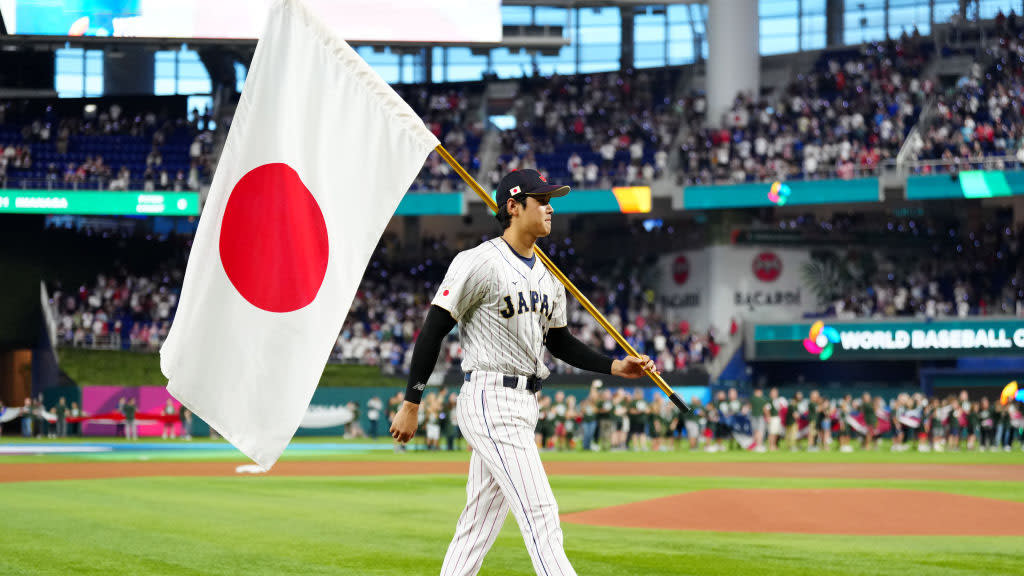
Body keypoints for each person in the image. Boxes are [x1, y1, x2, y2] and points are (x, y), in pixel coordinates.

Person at [389, 169, 658, 576]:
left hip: (524, 401)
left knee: (477, 525)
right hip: (489, 396)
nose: (551, 208)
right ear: (513, 207)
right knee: (541, 512)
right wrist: (412, 402)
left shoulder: (551, 278)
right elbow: (432, 331)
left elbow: (560, 342)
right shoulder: (479, 262)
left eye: (552, 200)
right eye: (542, 200)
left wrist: (616, 365)